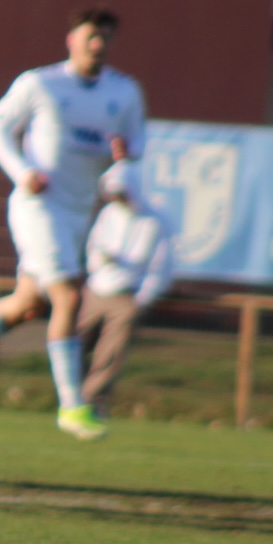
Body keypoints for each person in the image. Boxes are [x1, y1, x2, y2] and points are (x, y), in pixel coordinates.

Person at [0, 8, 147, 440]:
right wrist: (23, 171)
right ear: (72, 39)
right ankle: (72, 407)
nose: (97, 45)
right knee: (67, 297)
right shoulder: (41, 83)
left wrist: (126, 152)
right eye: (90, 36)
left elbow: (137, 143)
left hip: (80, 210)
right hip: (38, 206)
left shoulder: (125, 92)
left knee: (28, 303)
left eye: (105, 38)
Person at [75, 162, 171, 417]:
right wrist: (99, 265)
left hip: (126, 296)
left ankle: (92, 401)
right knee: (74, 341)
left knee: (110, 353)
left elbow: (160, 265)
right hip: (95, 290)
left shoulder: (154, 221)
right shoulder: (108, 214)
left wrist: (142, 299)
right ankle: (70, 396)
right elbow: (93, 247)